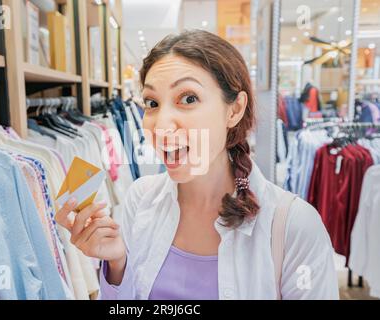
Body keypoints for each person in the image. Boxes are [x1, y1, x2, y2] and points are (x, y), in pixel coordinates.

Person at [56, 30, 339, 300]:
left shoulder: (294, 226)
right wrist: (117, 264)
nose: (161, 123)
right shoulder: (141, 199)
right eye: (152, 103)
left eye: (188, 98)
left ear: (235, 109)